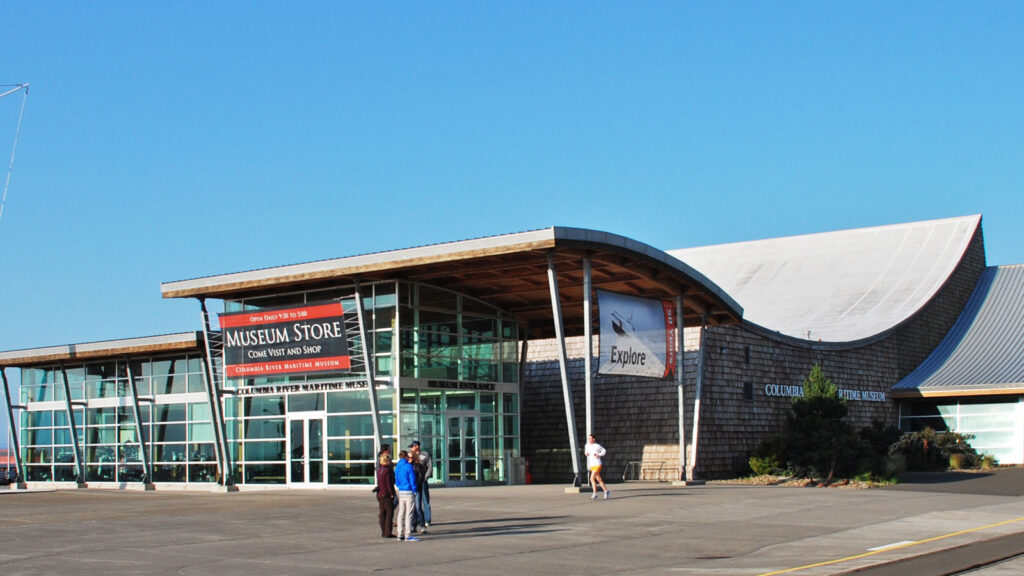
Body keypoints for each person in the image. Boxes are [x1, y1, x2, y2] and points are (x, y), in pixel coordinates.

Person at [394, 450, 421, 541]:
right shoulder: (408, 466)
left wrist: (399, 486)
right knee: (409, 513)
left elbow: (396, 479)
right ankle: (408, 534)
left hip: (401, 491)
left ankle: (400, 533)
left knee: (401, 512)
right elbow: (412, 479)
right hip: (409, 491)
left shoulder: (397, 467)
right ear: (405, 457)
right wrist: (414, 490)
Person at [408, 440, 432, 532]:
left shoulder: (425, 454)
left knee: (425, 500)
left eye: (412, 446)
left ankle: (427, 519)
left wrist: (425, 477)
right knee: (416, 504)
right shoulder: (411, 455)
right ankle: (416, 521)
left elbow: (429, 466)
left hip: (423, 481)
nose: (411, 448)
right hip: (414, 483)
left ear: (417, 446)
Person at [374, 453, 396, 538]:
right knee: (389, 513)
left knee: (382, 513)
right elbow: (388, 483)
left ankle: (383, 531)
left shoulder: (379, 470)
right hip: (386, 493)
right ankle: (388, 532)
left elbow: (380, 482)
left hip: (380, 493)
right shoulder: (388, 470)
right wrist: (391, 493)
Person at [584, 434, 610, 500]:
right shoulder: (587, 445)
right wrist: (586, 453)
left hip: (597, 464)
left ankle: (595, 494)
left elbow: (604, 451)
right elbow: (586, 451)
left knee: (591, 479)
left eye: (590, 438)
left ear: (593, 439)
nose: (589, 440)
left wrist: (599, 454)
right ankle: (606, 491)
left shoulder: (597, 446)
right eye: (588, 439)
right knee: (599, 479)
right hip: (592, 465)